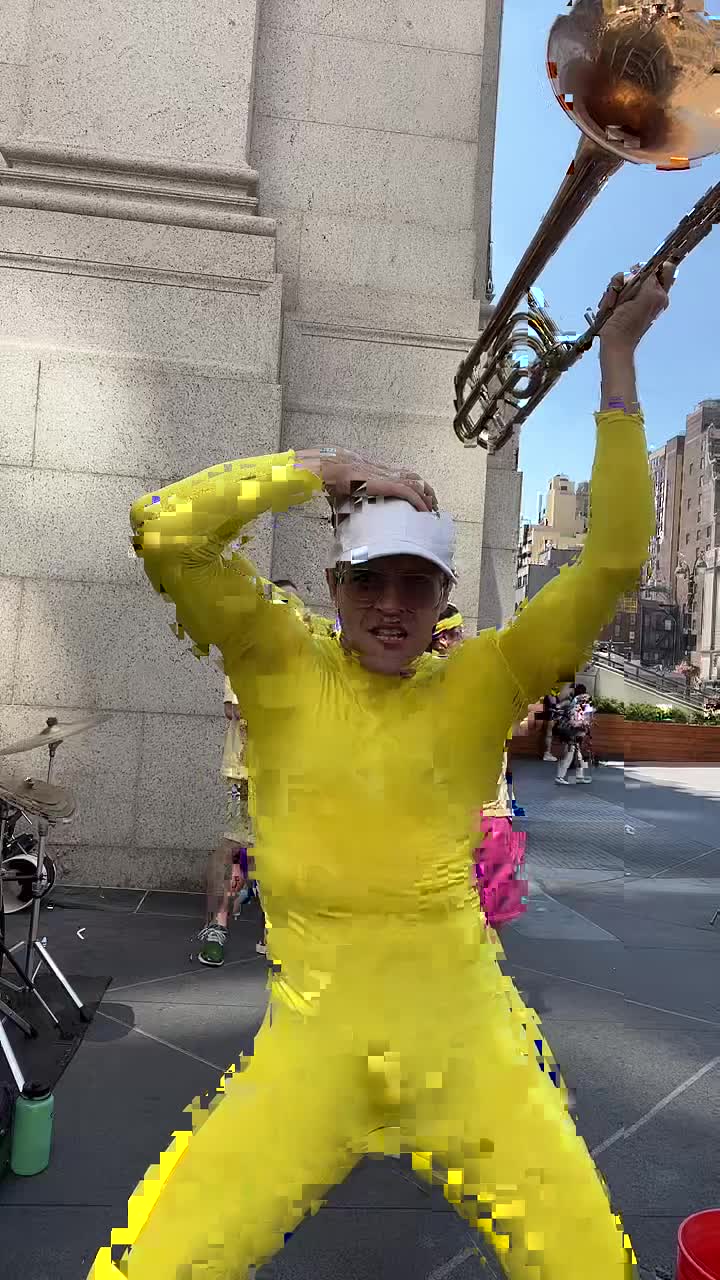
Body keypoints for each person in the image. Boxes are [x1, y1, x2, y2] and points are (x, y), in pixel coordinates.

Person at [90, 263, 672, 1280]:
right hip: (311, 1057)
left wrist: (617, 359)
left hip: (470, 1049)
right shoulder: (278, 653)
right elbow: (165, 527)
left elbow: (614, 558)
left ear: (444, 594)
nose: (392, 605)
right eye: (370, 581)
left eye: (416, 582)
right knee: (156, 1265)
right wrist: (333, 469)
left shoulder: (483, 678)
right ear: (335, 584)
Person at [555, 684, 594, 785]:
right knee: (570, 754)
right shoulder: (580, 705)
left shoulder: (575, 702)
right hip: (573, 733)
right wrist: (584, 724)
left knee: (579, 755)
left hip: (573, 733)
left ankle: (579, 776)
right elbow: (577, 721)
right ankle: (560, 776)